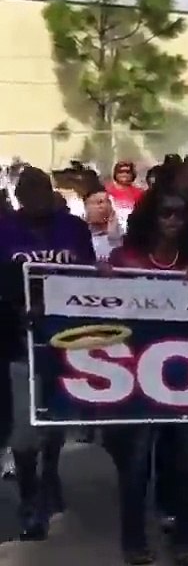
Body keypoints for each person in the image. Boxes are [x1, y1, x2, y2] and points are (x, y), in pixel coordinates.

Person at [104, 187, 188, 566]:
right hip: (135, 377)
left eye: (181, 214)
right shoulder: (125, 259)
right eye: (165, 212)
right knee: (136, 465)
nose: (173, 220)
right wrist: (105, 280)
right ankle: (134, 542)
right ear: (149, 217)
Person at [0, 167, 96, 539]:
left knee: (55, 419)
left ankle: (50, 474)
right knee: (25, 429)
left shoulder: (74, 228)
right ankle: (29, 496)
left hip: (64, 339)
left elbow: (86, 275)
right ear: (19, 196)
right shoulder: (5, 230)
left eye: (41, 188)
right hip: (18, 342)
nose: (35, 196)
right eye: (27, 190)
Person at [84, 184, 123, 260]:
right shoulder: (79, 234)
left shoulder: (121, 235)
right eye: (99, 202)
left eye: (107, 201)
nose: (101, 207)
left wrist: (113, 235)